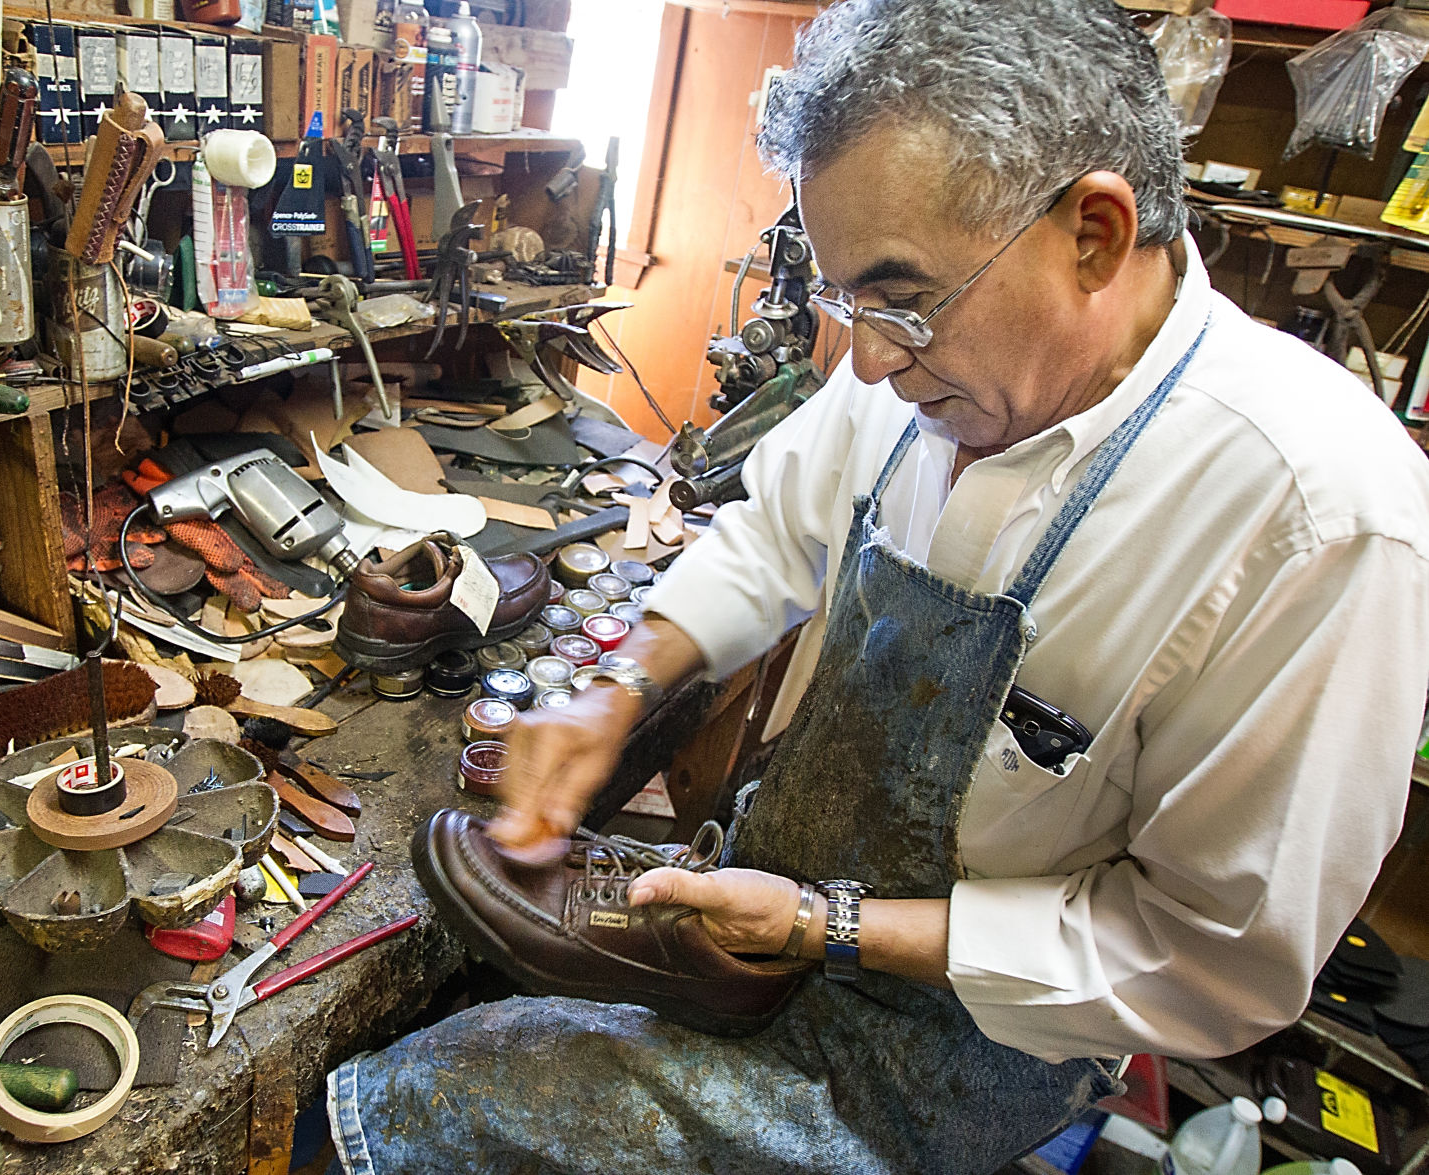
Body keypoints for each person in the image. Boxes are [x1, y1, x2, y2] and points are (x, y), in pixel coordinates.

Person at [326, 1, 1429, 1171]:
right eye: (845, 301)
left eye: (899, 302)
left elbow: (1211, 964)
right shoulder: (929, 359)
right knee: (470, 1042)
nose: (864, 361)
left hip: (971, 1040)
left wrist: (826, 926)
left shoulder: (1318, 521)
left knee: (434, 1098)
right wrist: (612, 690)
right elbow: (773, 529)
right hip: (773, 914)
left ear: (1094, 234)